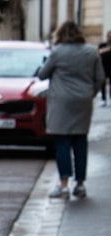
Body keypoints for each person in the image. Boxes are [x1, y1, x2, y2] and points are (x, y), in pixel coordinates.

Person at [37, 21, 105, 199]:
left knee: (63, 142)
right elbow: (100, 78)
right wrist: (90, 93)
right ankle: (80, 184)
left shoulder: (57, 52)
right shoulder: (91, 51)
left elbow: (42, 74)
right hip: (83, 101)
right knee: (80, 141)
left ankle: (64, 184)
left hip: (61, 102)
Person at [100, 30, 111, 107]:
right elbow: (99, 52)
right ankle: (103, 99)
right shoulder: (103, 45)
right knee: (102, 83)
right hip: (104, 66)